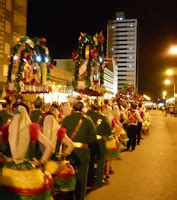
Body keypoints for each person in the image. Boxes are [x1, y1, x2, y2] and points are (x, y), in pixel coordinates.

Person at [0, 103, 54, 200]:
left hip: (11, 171)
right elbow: (50, 146)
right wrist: (42, 161)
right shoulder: (31, 128)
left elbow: (3, 146)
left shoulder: (8, 128)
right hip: (29, 171)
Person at [61, 100, 97, 200]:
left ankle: (69, 196)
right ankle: (80, 197)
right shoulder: (87, 120)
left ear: (73, 108)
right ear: (82, 109)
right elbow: (92, 138)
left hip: (69, 151)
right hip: (83, 152)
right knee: (82, 177)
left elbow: (61, 135)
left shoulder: (66, 119)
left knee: (69, 174)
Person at [41, 103, 76, 199]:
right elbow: (71, 145)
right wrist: (64, 155)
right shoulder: (58, 130)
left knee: (47, 188)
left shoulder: (41, 133)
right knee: (60, 189)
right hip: (58, 164)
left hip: (45, 163)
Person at [86, 101, 112, 188]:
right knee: (100, 161)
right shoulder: (102, 117)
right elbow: (109, 131)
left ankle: (89, 181)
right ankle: (99, 180)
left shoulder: (85, 116)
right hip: (99, 142)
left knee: (90, 161)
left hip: (88, 141)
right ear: (99, 109)